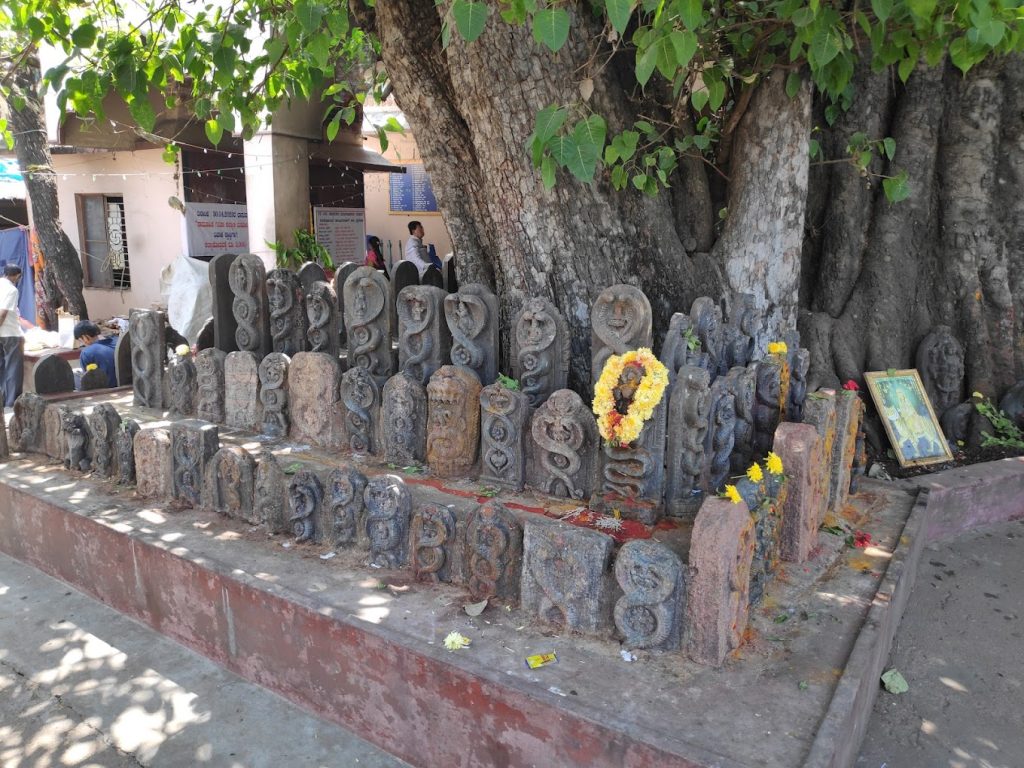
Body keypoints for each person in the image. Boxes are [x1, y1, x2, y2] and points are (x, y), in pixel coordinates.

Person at [0, 264, 30, 407]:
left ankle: (3, 400)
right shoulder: (12, 290)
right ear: (17, 276)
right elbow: (3, 312)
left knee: (2, 369)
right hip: (10, 334)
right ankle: (12, 403)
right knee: (13, 369)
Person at [73, 320, 118, 388]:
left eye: (80, 340)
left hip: (105, 389)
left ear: (85, 337)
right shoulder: (117, 341)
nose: (82, 344)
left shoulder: (87, 352)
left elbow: (88, 378)